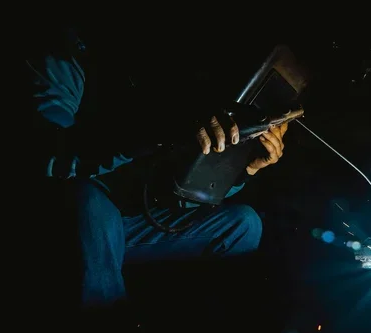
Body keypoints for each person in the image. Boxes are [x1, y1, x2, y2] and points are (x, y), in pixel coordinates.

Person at [25, 28, 288, 307]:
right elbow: (50, 154)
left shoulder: (164, 65)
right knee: (91, 203)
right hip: (82, 211)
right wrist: (147, 132)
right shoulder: (69, 55)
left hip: (136, 218)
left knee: (243, 226)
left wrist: (245, 168)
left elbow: (177, 184)